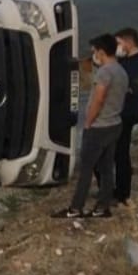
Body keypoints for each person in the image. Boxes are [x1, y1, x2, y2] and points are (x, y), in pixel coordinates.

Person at [53, 34, 129, 219]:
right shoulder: (121, 70)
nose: (93, 54)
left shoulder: (104, 72)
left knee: (86, 168)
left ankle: (75, 208)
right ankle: (102, 207)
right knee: (106, 168)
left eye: (94, 50)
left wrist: (88, 122)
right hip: (114, 124)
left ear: (102, 52)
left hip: (99, 126)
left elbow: (99, 98)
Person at [112, 27, 138, 205]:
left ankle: (122, 193)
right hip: (115, 111)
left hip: (126, 113)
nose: (117, 47)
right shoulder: (122, 60)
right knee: (111, 153)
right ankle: (114, 190)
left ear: (128, 42)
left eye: (119, 43)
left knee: (121, 153)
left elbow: (135, 89)